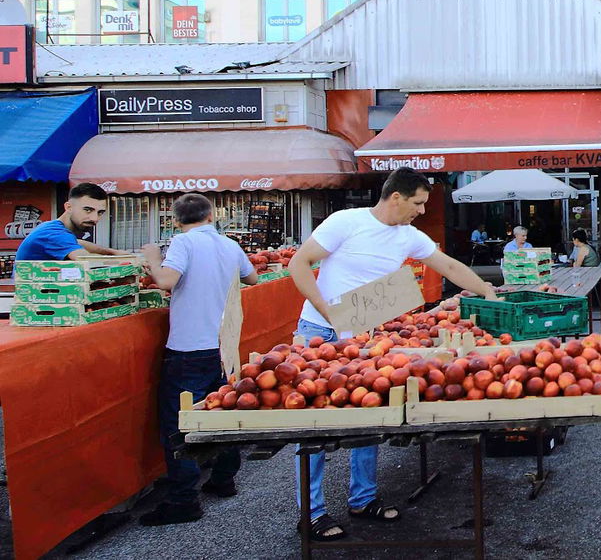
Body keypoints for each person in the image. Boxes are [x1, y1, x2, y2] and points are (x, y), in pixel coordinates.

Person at [287, 167, 502, 542]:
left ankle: (363, 498)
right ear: (397, 197)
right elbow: (298, 264)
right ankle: (312, 512)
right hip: (320, 334)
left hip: (368, 339)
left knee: (369, 413)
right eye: (418, 203)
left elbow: (447, 265)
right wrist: (328, 313)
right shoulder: (345, 222)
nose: (421, 211)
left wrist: (486, 290)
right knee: (314, 424)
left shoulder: (408, 237)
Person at [137, 193, 257, 526]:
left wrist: (151, 258)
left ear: (176, 220)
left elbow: (166, 281)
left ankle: (183, 500)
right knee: (221, 412)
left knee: (180, 424)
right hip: (222, 346)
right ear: (210, 216)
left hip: (188, 347)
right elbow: (253, 278)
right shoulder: (229, 244)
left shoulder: (182, 242)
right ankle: (223, 478)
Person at [15, 182, 118, 262]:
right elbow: (85, 260)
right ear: (68, 207)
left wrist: (112, 252)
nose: (94, 218)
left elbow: (76, 242)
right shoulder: (53, 233)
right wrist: (124, 260)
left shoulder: (53, 228)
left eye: (100, 212)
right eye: (88, 210)